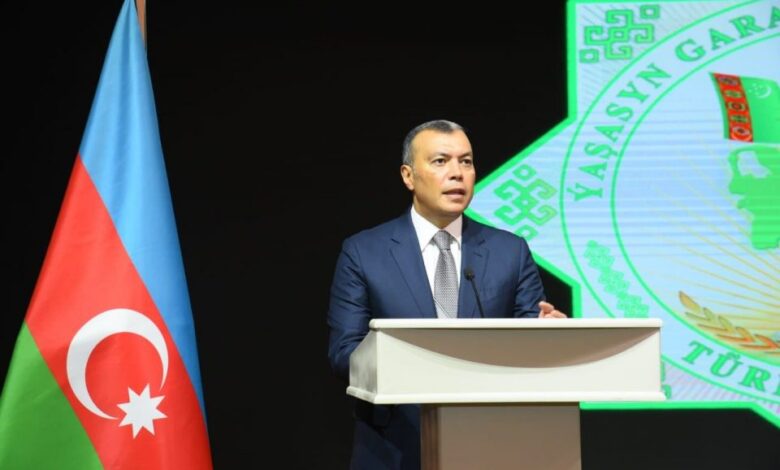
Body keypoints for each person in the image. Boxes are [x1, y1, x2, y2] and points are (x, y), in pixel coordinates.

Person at [327, 119, 566, 470]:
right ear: (408, 176)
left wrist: (550, 336)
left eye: (466, 161)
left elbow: (530, 338)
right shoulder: (364, 252)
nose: (457, 173)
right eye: (440, 161)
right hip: (396, 447)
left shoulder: (510, 252)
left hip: (492, 443)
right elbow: (344, 355)